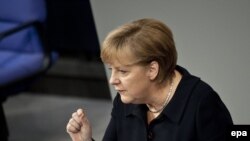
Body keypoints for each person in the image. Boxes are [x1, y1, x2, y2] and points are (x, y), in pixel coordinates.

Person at [66, 18, 233, 141]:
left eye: (123, 71)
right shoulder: (125, 101)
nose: (113, 80)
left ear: (152, 69)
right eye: (112, 70)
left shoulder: (202, 103)